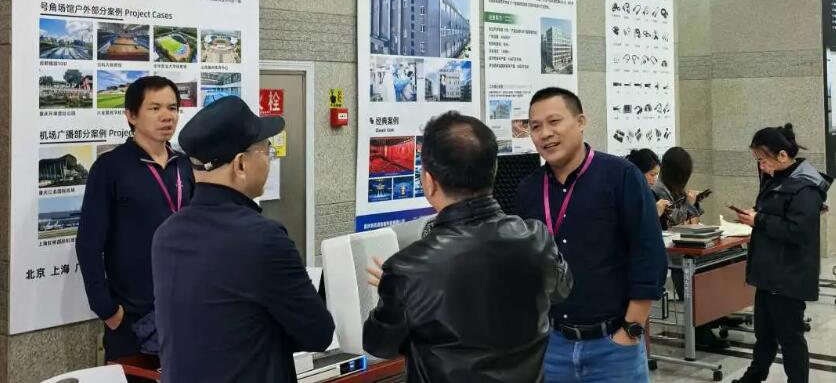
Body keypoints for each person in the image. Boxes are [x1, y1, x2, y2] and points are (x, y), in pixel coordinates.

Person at [363, 111, 572, 383]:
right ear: (494, 171)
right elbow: (562, 290)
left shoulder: (408, 269)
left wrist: (396, 291)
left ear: (429, 181)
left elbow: (380, 345)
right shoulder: (536, 238)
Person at [152, 96, 334, 383]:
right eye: (265, 150)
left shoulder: (166, 235)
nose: (269, 159)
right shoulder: (264, 240)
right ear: (240, 164)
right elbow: (318, 334)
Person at [516, 87, 667, 383]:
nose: (545, 134)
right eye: (535, 126)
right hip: (552, 347)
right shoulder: (529, 189)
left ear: (581, 121)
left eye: (554, 121)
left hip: (613, 346)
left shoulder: (621, 176)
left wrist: (631, 330)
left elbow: (648, 253)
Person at [76, 75, 194, 367]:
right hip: (131, 316)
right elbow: (89, 243)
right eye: (155, 108)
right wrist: (107, 309)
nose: (167, 116)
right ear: (131, 115)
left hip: (184, 307)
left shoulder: (184, 165)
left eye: (172, 108)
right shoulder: (110, 167)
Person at [732, 124, 832, 383]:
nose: (761, 166)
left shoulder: (805, 186)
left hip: (789, 275)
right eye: (757, 160)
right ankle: (754, 377)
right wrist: (755, 215)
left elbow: (798, 230)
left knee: (790, 338)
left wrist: (759, 220)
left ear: (783, 156)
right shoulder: (776, 178)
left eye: (763, 160)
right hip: (769, 271)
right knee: (764, 334)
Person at [655, 147, 726, 350]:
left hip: (685, 244)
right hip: (671, 251)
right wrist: (689, 205)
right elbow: (676, 223)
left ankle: (715, 315)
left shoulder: (675, 188)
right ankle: (700, 329)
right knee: (690, 272)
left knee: (717, 263)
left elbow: (692, 220)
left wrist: (693, 204)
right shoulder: (659, 191)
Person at [652, 146, 703, 229]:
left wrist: (695, 202)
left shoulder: (676, 190)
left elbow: (695, 219)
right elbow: (674, 222)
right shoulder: (657, 191)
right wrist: (689, 204)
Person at [626, 148, 669, 217]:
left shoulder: (651, 194)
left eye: (657, 174)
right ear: (639, 173)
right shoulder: (627, 196)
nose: (655, 179)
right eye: (652, 175)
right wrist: (656, 213)